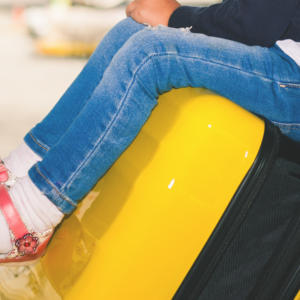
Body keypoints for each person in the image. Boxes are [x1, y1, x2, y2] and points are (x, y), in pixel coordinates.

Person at [1, 0, 300, 263]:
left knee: (151, 55)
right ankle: (18, 174)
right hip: (284, 47)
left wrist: (180, 17)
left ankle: (31, 217)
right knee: (131, 31)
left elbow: (259, 19)